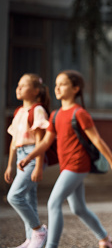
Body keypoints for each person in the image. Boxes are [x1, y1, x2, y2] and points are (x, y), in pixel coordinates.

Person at [18, 70, 112, 248]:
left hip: (77, 164)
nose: (57, 87)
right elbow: (46, 142)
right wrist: (30, 156)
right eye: (56, 84)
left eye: (62, 84)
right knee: (78, 208)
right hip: (66, 165)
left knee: (53, 202)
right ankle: (105, 239)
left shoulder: (79, 113)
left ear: (75, 88)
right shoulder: (55, 115)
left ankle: (51, 245)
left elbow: (96, 140)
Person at [4, 74, 50, 248]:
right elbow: (14, 143)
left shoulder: (37, 110)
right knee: (29, 199)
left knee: (14, 196)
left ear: (36, 91)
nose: (18, 88)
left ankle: (39, 230)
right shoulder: (19, 112)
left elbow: (40, 141)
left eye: (23, 85)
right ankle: (31, 240)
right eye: (18, 85)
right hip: (21, 157)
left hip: (33, 156)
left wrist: (38, 165)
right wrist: (9, 165)